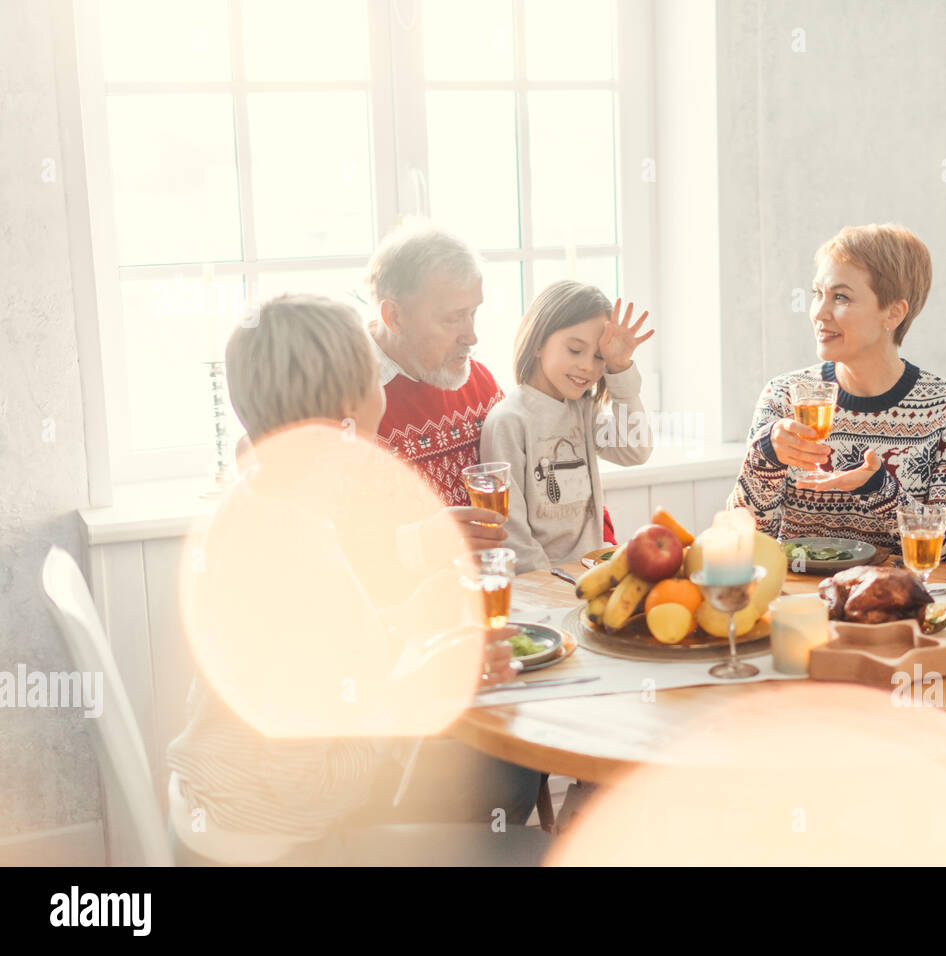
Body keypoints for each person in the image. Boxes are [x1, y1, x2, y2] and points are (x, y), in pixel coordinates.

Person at [167, 294, 549, 866]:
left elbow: (324, 658)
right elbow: (311, 779)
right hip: (280, 837)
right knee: (522, 810)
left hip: (227, 807)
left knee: (503, 762)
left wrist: (416, 615)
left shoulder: (265, 495)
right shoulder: (290, 548)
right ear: (350, 404)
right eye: (376, 376)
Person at [728, 224, 946, 559]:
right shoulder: (783, 397)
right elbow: (744, 538)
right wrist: (765, 455)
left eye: (841, 297)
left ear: (893, 312)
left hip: (892, 604)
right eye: (818, 293)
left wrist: (878, 488)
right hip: (798, 602)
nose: (819, 312)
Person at [479, 282, 654, 574]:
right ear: (538, 343)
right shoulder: (509, 421)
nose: (587, 366)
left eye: (598, 356)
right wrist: (550, 587)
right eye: (575, 350)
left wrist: (619, 368)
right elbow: (512, 531)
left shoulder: (583, 411)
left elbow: (635, 450)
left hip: (592, 573)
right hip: (544, 588)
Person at [367, 221, 511, 552]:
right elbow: (335, 548)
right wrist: (422, 541)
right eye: (452, 318)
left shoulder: (481, 384)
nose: (471, 336)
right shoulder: (346, 404)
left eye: (473, 313)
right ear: (395, 317)